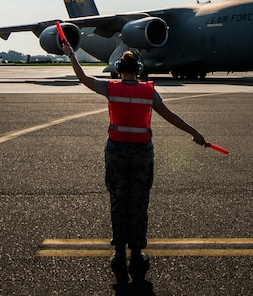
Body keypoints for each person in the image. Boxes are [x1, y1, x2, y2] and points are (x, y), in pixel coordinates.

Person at [61, 42, 208, 285]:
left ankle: (119, 252)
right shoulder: (149, 91)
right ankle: (137, 253)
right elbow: (170, 115)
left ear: (119, 68)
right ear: (139, 69)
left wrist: (71, 55)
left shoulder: (110, 88)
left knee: (118, 200)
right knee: (139, 201)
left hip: (116, 151)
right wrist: (194, 133)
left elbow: (82, 77)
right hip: (141, 152)